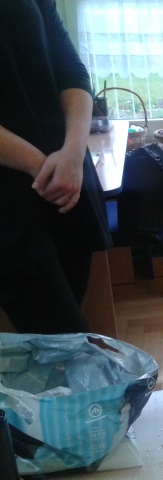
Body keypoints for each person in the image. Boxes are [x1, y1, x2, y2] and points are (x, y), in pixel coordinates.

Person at [0, 0, 112, 334]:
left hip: (67, 183)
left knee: (64, 343)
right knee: (67, 345)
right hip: (14, 200)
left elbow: (71, 71)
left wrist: (73, 153)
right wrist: (41, 166)